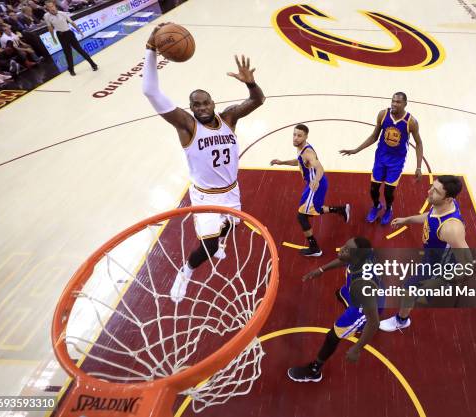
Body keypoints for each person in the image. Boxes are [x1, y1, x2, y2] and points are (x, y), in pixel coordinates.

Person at [142, 23, 265, 303]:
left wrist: (250, 82)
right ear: (191, 108)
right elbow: (150, 92)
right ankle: (185, 271)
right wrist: (151, 49)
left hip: (231, 190)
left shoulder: (229, 117)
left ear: (213, 103)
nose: (201, 108)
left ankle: (220, 238)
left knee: (229, 227)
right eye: (195, 105)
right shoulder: (186, 126)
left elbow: (258, 100)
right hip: (205, 195)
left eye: (205, 103)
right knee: (208, 247)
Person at [379, 175, 472, 331]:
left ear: (448, 199)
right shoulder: (442, 204)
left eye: (435, 191)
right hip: (432, 257)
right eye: (431, 187)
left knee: (408, 290)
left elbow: (467, 262)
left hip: (439, 266)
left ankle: (401, 320)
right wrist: (407, 220)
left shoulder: (451, 228)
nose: (429, 192)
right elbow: (430, 217)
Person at [288, 237, 382, 382]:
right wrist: (321, 269)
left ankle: (314, 370)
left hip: (363, 310)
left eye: (346, 249)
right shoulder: (364, 255)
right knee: (340, 293)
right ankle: (362, 328)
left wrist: (357, 348)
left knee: (333, 336)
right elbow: (345, 260)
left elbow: (374, 322)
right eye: (345, 245)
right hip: (369, 297)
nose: (342, 248)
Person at [339, 92, 423, 225]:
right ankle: (376, 205)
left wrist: (418, 167)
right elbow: (374, 137)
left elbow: (419, 143)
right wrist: (356, 150)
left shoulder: (411, 122)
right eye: (393, 101)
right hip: (381, 158)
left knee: (389, 191)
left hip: (396, 161)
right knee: (373, 189)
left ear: (405, 104)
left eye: (398, 102)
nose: (394, 104)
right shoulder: (383, 115)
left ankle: (388, 208)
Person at [270, 124, 350, 257]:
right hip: (316, 184)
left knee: (301, 216)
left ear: (306, 137)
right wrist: (282, 162)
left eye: (299, 136)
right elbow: (299, 161)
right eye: (294, 134)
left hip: (315, 186)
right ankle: (341, 209)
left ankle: (315, 248)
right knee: (315, 209)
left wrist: (316, 181)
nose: (295, 138)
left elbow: (320, 168)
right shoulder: (302, 148)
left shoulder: (308, 152)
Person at [43, 1, 97, 76]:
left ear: (54, 6)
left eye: (52, 6)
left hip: (69, 33)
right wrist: (53, 37)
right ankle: (71, 69)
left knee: (80, 50)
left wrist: (79, 31)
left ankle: (93, 64)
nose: (51, 8)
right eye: (49, 7)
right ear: (47, 8)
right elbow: (50, 27)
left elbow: (71, 22)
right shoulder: (46, 16)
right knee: (68, 53)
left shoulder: (62, 13)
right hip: (60, 35)